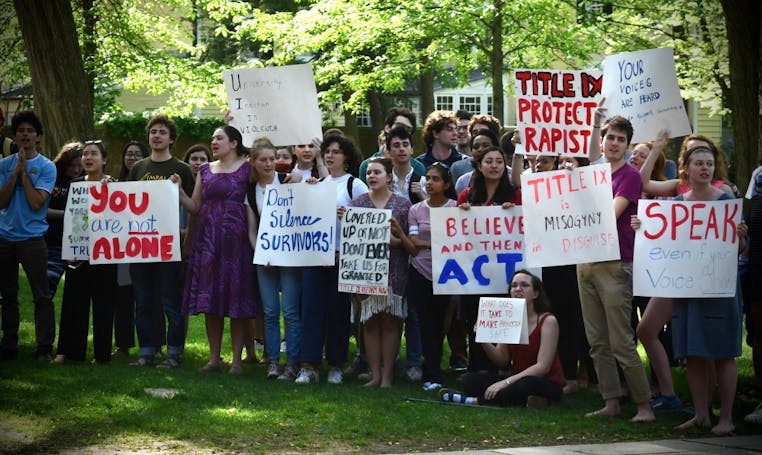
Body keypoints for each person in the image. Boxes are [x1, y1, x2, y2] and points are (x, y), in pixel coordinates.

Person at [632, 143, 747, 434]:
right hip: (687, 288)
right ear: (686, 169)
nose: (705, 168)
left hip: (719, 288)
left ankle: (726, 419)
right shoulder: (677, 205)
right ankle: (700, 415)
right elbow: (663, 241)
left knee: (723, 354)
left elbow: (738, 249)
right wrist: (642, 227)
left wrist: (740, 237)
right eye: (699, 163)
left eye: (709, 163)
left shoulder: (725, 201)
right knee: (693, 353)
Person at [579, 103, 654, 423]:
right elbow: (587, 160)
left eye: (620, 139)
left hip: (615, 263)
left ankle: (644, 406)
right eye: (609, 137)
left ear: (627, 144)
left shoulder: (631, 176)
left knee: (622, 341)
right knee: (597, 341)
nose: (613, 143)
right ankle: (611, 400)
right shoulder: (593, 172)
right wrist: (596, 121)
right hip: (584, 261)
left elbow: (611, 214)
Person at [175, 126, 258, 374]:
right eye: (211, 138)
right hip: (208, 242)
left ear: (234, 143)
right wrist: (179, 190)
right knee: (211, 300)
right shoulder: (204, 170)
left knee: (236, 300)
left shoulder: (247, 167)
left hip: (238, 241)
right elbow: (195, 206)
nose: (213, 142)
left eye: (219, 138)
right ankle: (213, 358)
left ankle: (236, 360)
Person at [296, 134, 368, 384]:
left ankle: (336, 364)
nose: (330, 155)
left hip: (341, 258)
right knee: (311, 310)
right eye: (327, 151)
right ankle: (310, 365)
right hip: (314, 258)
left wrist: (348, 215)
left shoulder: (355, 185)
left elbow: (368, 221)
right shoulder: (316, 183)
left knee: (339, 313)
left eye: (336, 151)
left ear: (346, 156)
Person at [440, 270, 564, 407]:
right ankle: (532, 400)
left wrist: (505, 382)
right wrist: (482, 338)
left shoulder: (548, 321)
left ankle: (474, 401)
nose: (518, 289)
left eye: (524, 285)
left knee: (525, 384)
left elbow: (543, 367)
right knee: (469, 379)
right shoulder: (509, 318)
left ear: (535, 293)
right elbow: (501, 360)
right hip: (515, 379)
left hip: (542, 381)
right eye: (514, 285)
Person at [127, 114, 194, 368]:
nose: (156, 135)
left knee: (170, 300)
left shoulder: (182, 170)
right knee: (143, 300)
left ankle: (174, 353)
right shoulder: (138, 168)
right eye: (153, 131)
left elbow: (192, 206)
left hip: (169, 248)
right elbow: (126, 205)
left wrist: (187, 238)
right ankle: (146, 352)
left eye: (162, 132)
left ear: (171, 139)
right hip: (140, 247)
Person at [52, 140, 119, 365]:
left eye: (94, 154)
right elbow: (70, 220)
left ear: (104, 160)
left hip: (105, 255)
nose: (88, 158)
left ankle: (102, 356)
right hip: (77, 254)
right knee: (73, 304)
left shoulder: (114, 185)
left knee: (104, 306)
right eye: (86, 155)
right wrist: (69, 247)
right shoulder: (75, 186)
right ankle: (69, 352)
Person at [457, 145, 522, 374]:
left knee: (502, 320)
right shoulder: (467, 195)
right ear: (479, 166)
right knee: (474, 319)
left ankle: (503, 368)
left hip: (504, 274)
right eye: (489, 161)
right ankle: (477, 367)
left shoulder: (514, 194)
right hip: (475, 275)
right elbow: (456, 233)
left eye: (498, 161)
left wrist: (514, 211)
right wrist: (462, 213)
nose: (494, 166)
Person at [351, 157, 414, 387]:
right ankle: (374, 374)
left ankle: (387, 376)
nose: (371, 176)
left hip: (394, 270)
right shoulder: (357, 204)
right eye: (368, 173)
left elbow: (408, 242)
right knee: (369, 321)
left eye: (377, 172)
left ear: (389, 177)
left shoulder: (402, 205)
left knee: (390, 322)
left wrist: (393, 240)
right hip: (365, 270)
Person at [0, 111, 56, 361]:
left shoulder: (46, 166)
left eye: (30, 131)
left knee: (41, 295)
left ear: (38, 136)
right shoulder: (3, 165)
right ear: (14, 135)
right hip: (4, 237)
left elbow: (36, 203)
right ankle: (9, 344)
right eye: (20, 131)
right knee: (7, 295)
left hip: (32, 239)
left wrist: (24, 171)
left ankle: (44, 346)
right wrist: (14, 172)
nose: (25, 135)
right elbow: (1, 202)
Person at [246, 138, 302, 381]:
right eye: (263, 160)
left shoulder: (289, 182)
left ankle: (292, 362)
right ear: (253, 162)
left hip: (289, 256)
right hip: (265, 258)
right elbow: (251, 229)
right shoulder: (249, 191)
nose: (269, 164)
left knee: (290, 311)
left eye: (272, 159)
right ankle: (272, 361)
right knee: (269, 311)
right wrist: (262, 254)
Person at [407, 163, 458, 390]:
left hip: (449, 273)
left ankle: (436, 368)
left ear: (446, 184)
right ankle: (432, 374)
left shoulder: (456, 208)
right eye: (427, 178)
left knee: (442, 324)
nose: (429, 182)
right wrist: (439, 244)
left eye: (435, 179)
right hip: (420, 272)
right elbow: (415, 243)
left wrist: (431, 245)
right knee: (426, 323)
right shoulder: (416, 210)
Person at [114, 140, 149, 356]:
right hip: (122, 249)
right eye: (129, 154)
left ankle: (150, 345)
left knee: (146, 299)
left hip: (147, 247)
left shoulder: (151, 185)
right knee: (124, 297)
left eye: (137, 155)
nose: (132, 158)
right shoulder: (114, 184)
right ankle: (123, 344)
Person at [45, 142, 83, 299]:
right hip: (52, 241)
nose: (75, 170)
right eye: (71, 165)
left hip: (77, 244)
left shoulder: (86, 181)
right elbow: (41, 210)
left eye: (79, 165)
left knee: (76, 292)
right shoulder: (52, 178)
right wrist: (68, 214)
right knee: (47, 285)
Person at [358, 107, 424, 184]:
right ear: (387, 128)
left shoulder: (417, 168)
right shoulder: (367, 166)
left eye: (408, 129)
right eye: (400, 126)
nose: (403, 131)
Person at [453, 129, 500, 195]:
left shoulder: (510, 178)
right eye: (476, 147)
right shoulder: (463, 182)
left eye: (485, 146)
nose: (480, 149)